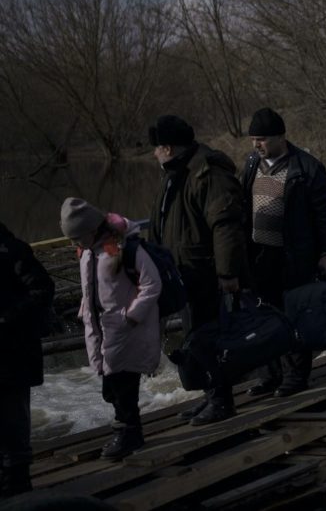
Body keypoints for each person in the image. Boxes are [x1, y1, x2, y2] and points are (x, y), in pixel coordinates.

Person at [148, 114, 246, 426]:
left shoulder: (207, 171)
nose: (153, 154)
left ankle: (221, 400)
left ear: (167, 147)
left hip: (205, 270)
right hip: (183, 271)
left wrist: (227, 272)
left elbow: (225, 224)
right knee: (195, 337)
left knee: (209, 337)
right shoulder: (176, 172)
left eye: (156, 147)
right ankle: (209, 396)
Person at [239, 108, 326, 398]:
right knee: (264, 317)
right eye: (254, 139)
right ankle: (269, 375)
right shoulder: (251, 164)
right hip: (259, 255)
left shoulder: (307, 168)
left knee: (296, 315)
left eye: (262, 139)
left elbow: (323, 215)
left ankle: (296, 376)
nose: (257, 144)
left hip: (294, 254)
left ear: (281, 137)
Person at [61, 199, 162, 460]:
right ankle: (128, 431)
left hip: (125, 328)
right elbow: (91, 286)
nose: (75, 244)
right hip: (101, 328)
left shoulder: (124, 247)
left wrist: (132, 316)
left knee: (123, 385)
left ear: (92, 230)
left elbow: (152, 284)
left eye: (77, 237)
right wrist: (85, 309)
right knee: (110, 387)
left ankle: (128, 434)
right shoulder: (87, 252)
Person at [0, 223, 54, 496]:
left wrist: (8, 317)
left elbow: (43, 289)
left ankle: (18, 483)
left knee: (13, 421)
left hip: (14, 352)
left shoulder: (12, 250)